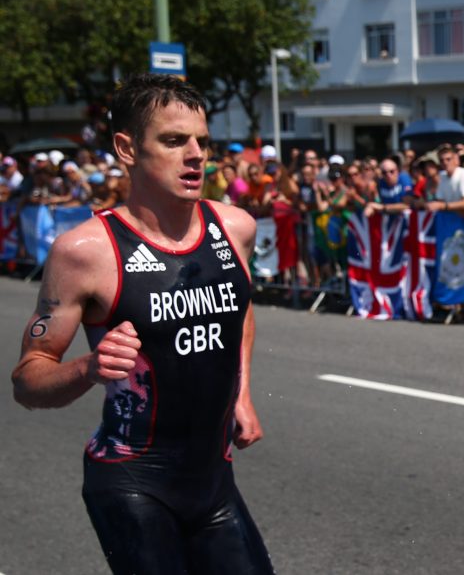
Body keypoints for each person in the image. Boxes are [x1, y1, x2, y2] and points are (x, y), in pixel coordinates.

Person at [10, 73, 273, 574]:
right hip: (131, 481)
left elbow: (239, 310)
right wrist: (89, 367)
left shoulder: (235, 227)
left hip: (214, 482)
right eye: (174, 141)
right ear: (127, 148)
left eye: (202, 141)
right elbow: (28, 379)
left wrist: (241, 393)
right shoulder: (85, 252)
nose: (195, 154)